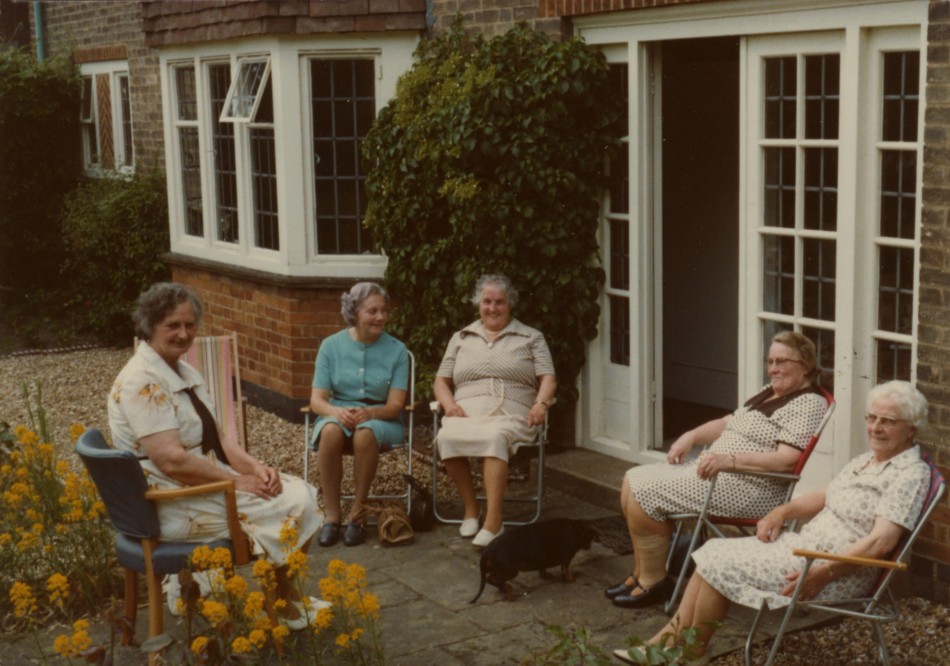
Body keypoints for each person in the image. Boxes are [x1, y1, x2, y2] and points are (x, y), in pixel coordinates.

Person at [614, 380, 931, 664]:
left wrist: (823, 572)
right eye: (871, 418)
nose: (875, 427)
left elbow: (882, 542)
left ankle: (688, 651)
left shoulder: (908, 474)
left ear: (911, 428)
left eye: (888, 421)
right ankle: (669, 645)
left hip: (832, 570)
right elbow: (824, 494)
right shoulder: (867, 460)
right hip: (803, 551)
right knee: (711, 553)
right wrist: (781, 512)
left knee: (719, 563)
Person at [108, 282, 324, 630]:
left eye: (189, 325)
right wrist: (239, 482)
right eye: (172, 326)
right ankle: (283, 600)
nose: (183, 334)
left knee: (291, 487)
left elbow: (220, 438)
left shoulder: (183, 370)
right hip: (171, 502)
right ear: (149, 326)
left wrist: (257, 468)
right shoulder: (142, 381)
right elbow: (172, 461)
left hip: (196, 486)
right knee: (302, 499)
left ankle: (265, 593)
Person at [607, 331, 828, 609]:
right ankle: (640, 573)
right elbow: (727, 422)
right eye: (770, 361)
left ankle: (654, 581)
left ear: (806, 364)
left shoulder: (808, 403)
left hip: (752, 490)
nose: (773, 368)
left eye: (782, 361)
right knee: (631, 479)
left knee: (644, 490)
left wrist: (729, 460)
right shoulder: (769, 392)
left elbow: (786, 460)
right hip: (718, 476)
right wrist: (691, 435)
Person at [433, 274, 557, 548]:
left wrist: (541, 404)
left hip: (512, 413)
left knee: (495, 438)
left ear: (510, 304)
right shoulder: (461, 337)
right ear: (478, 303)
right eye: (487, 301)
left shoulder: (531, 337)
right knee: (445, 438)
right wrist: (449, 405)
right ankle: (471, 509)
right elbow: (441, 381)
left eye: (499, 302)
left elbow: (548, 378)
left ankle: (494, 520)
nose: (492, 308)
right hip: (466, 412)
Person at [308, 282, 410, 547]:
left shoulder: (397, 350)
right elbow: (316, 400)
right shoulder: (330, 346)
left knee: (366, 433)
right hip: (338, 412)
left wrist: (370, 412)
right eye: (372, 311)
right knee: (330, 430)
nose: (380, 317)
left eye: (383, 311)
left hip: (382, 418)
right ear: (354, 313)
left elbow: (396, 405)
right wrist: (337, 412)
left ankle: (358, 513)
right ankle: (332, 515)